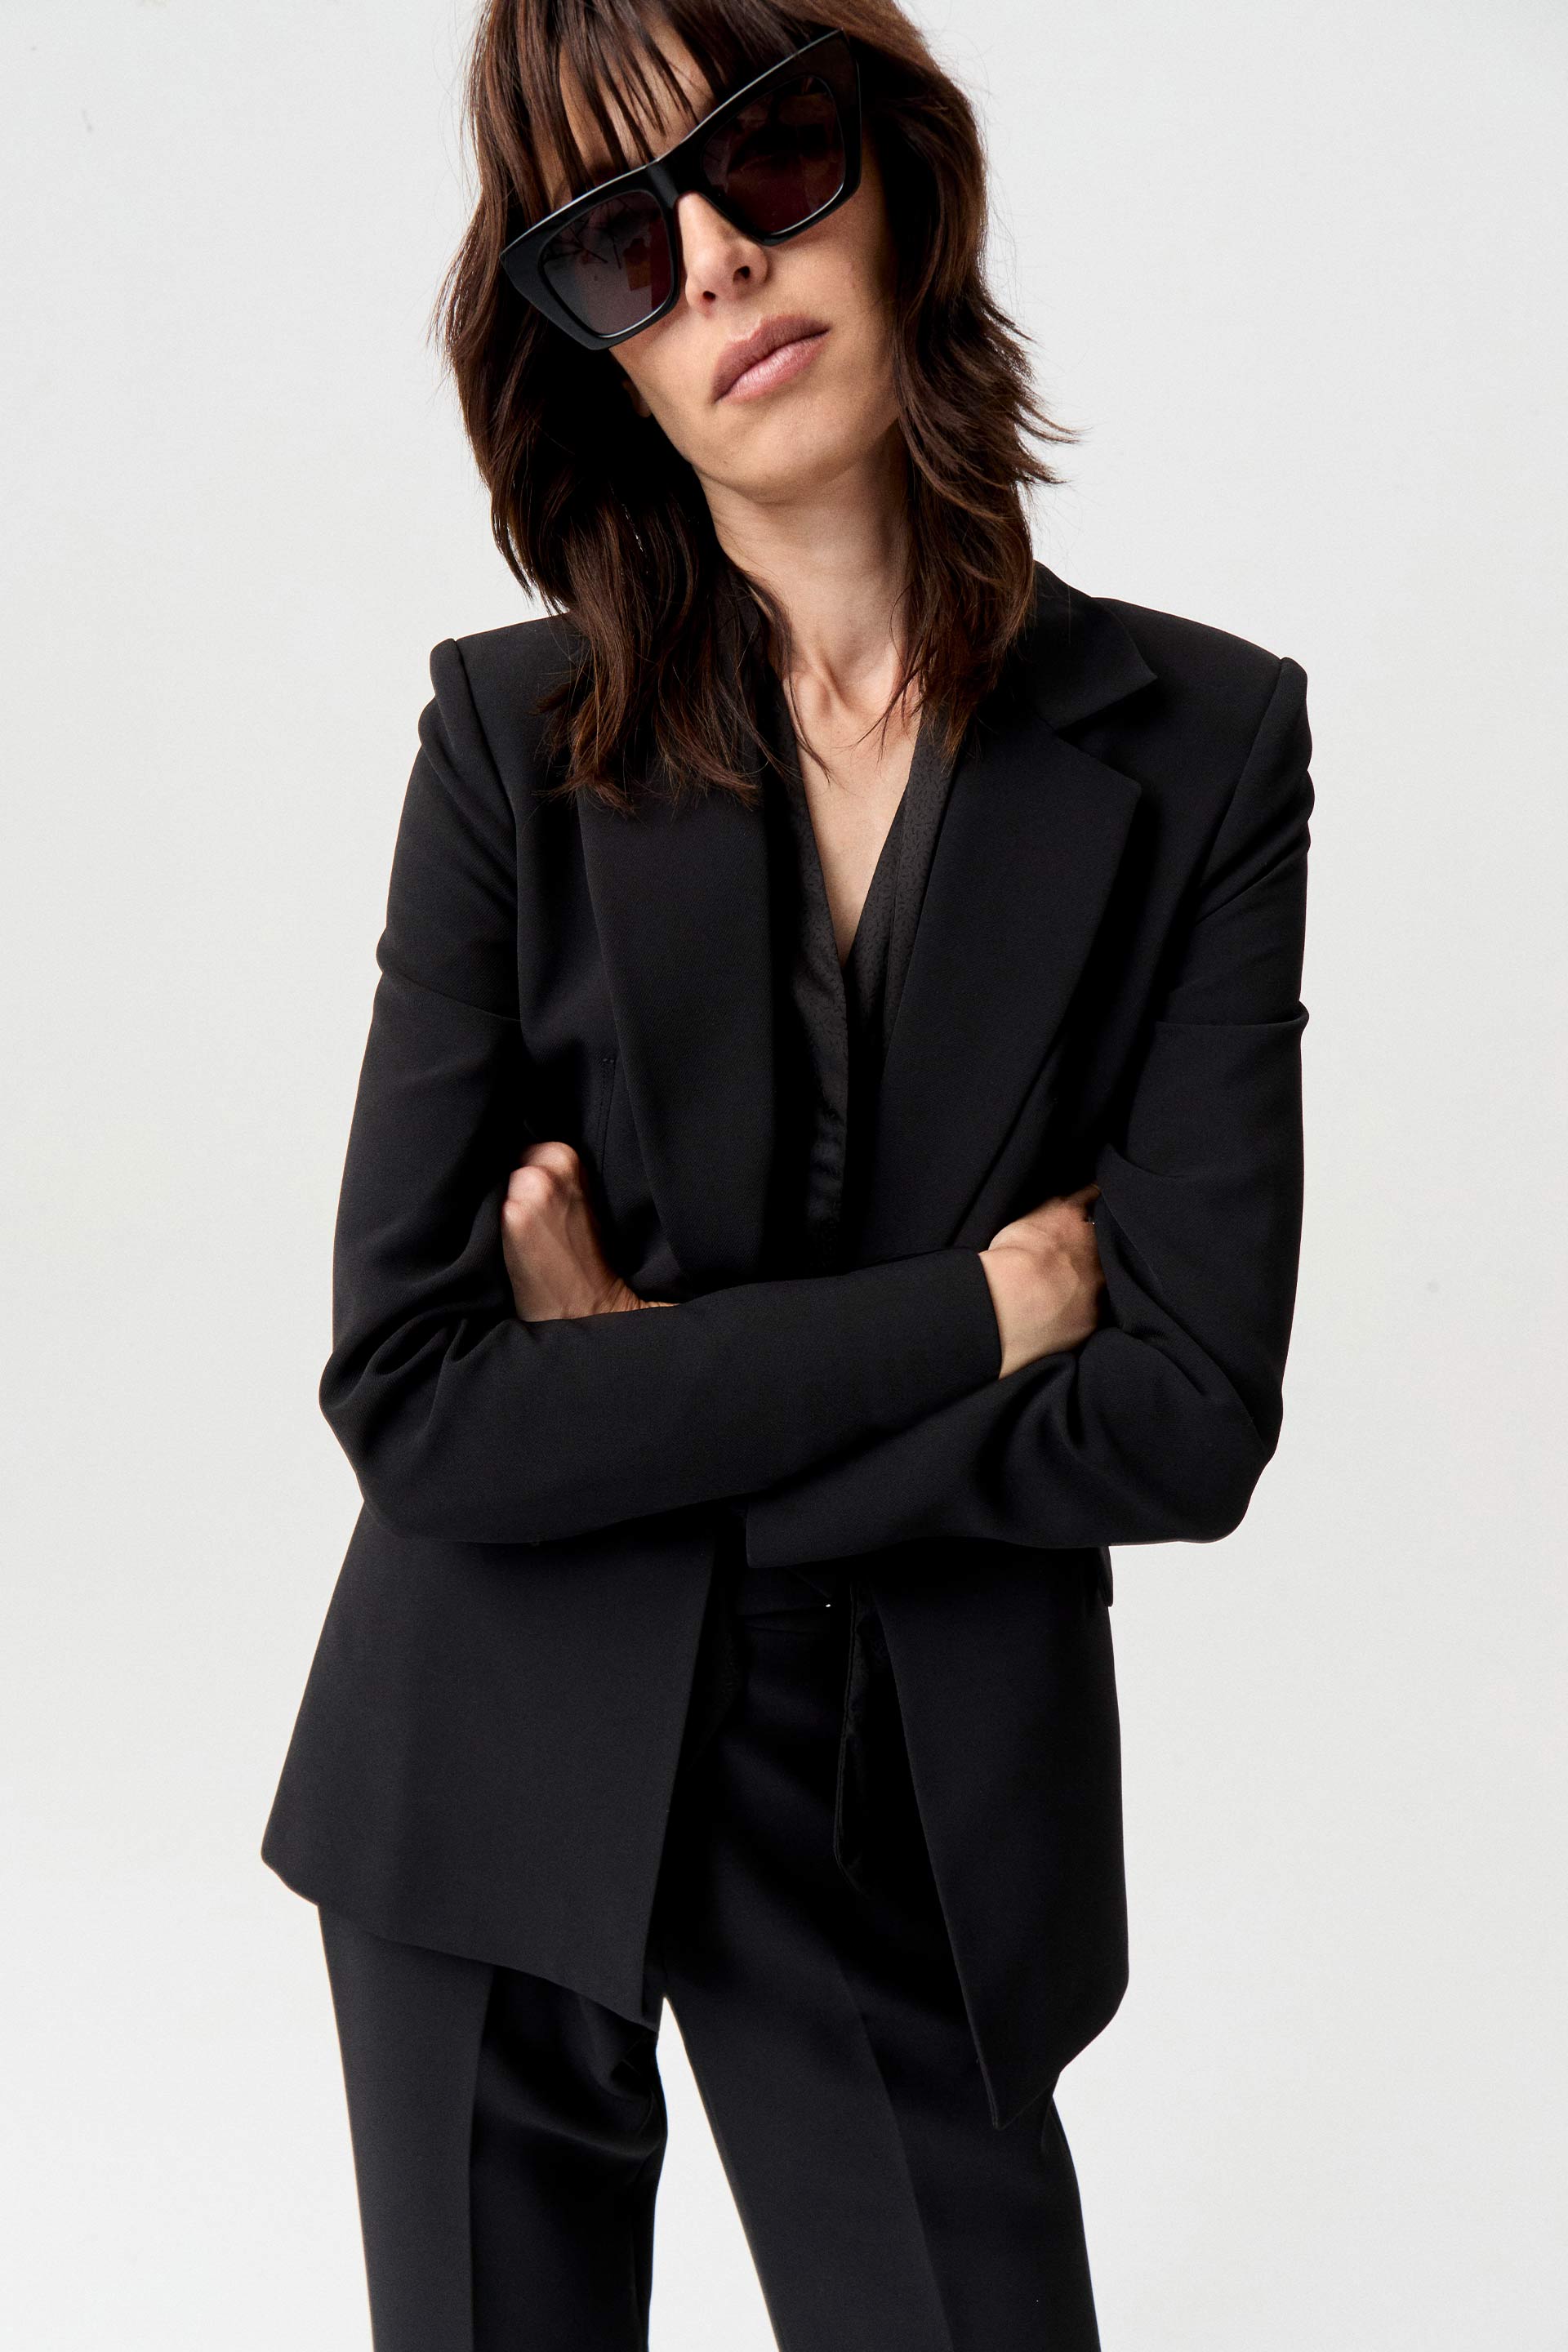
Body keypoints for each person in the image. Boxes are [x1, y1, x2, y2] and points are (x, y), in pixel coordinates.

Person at [262, 3, 1314, 2345]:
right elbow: (419, 1402)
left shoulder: (1207, 748)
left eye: (769, 157)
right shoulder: (508, 743)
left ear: (901, 175)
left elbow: (1186, 1419)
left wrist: (637, 1391)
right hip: (489, 1754)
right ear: (599, 363)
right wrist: (979, 1317)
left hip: (906, 1796)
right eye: (622, 247)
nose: (721, 261)